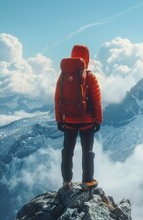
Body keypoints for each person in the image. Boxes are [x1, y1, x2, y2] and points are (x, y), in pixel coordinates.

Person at [54, 44, 103, 190]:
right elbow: (96, 101)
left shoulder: (63, 76)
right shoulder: (90, 77)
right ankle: (87, 182)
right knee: (87, 151)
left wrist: (59, 120)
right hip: (87, 121)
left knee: (67, 151)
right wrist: (98, 120)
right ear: (86, 58)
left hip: (68, 120)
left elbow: (57, 99)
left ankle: (66, 182)